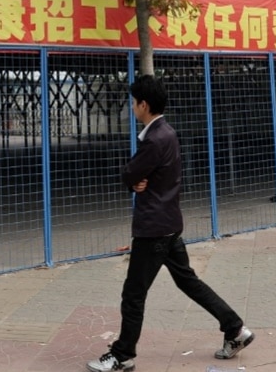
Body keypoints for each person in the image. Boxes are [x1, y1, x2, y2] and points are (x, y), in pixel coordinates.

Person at [86, 75, 254, 372]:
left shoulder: (153, 139)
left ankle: (122, 356)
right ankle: (235, 329)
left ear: (144, 104)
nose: (132, 107)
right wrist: (140, 181)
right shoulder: (169, 132)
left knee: (133, 294)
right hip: (170, 223)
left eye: (134, 102)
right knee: (188, 282)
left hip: (153, 229)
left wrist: (135, 181)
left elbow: (129, 173)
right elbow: (147, 175)